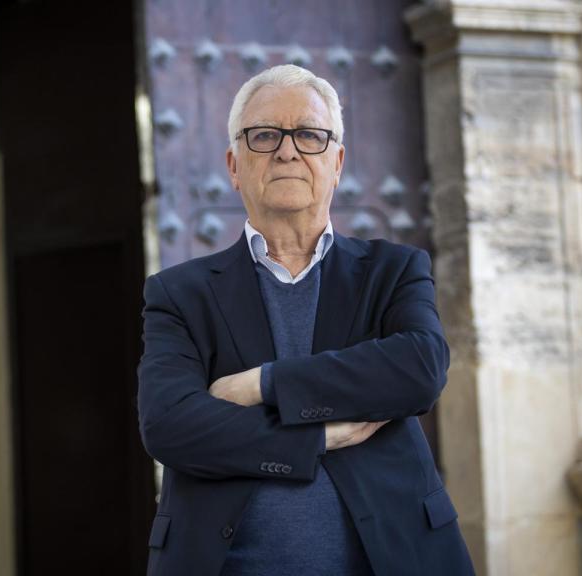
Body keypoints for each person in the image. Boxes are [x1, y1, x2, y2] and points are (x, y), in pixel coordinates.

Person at [136, 64, 474, 576]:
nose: (288, 150)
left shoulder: (394, 270)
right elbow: (170, 426)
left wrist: (264, 384)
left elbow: (419, 370)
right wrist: (316, 437)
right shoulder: (180, 294)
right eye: (265, 135)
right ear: (233, 164)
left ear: (337, 162)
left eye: (310, 135)